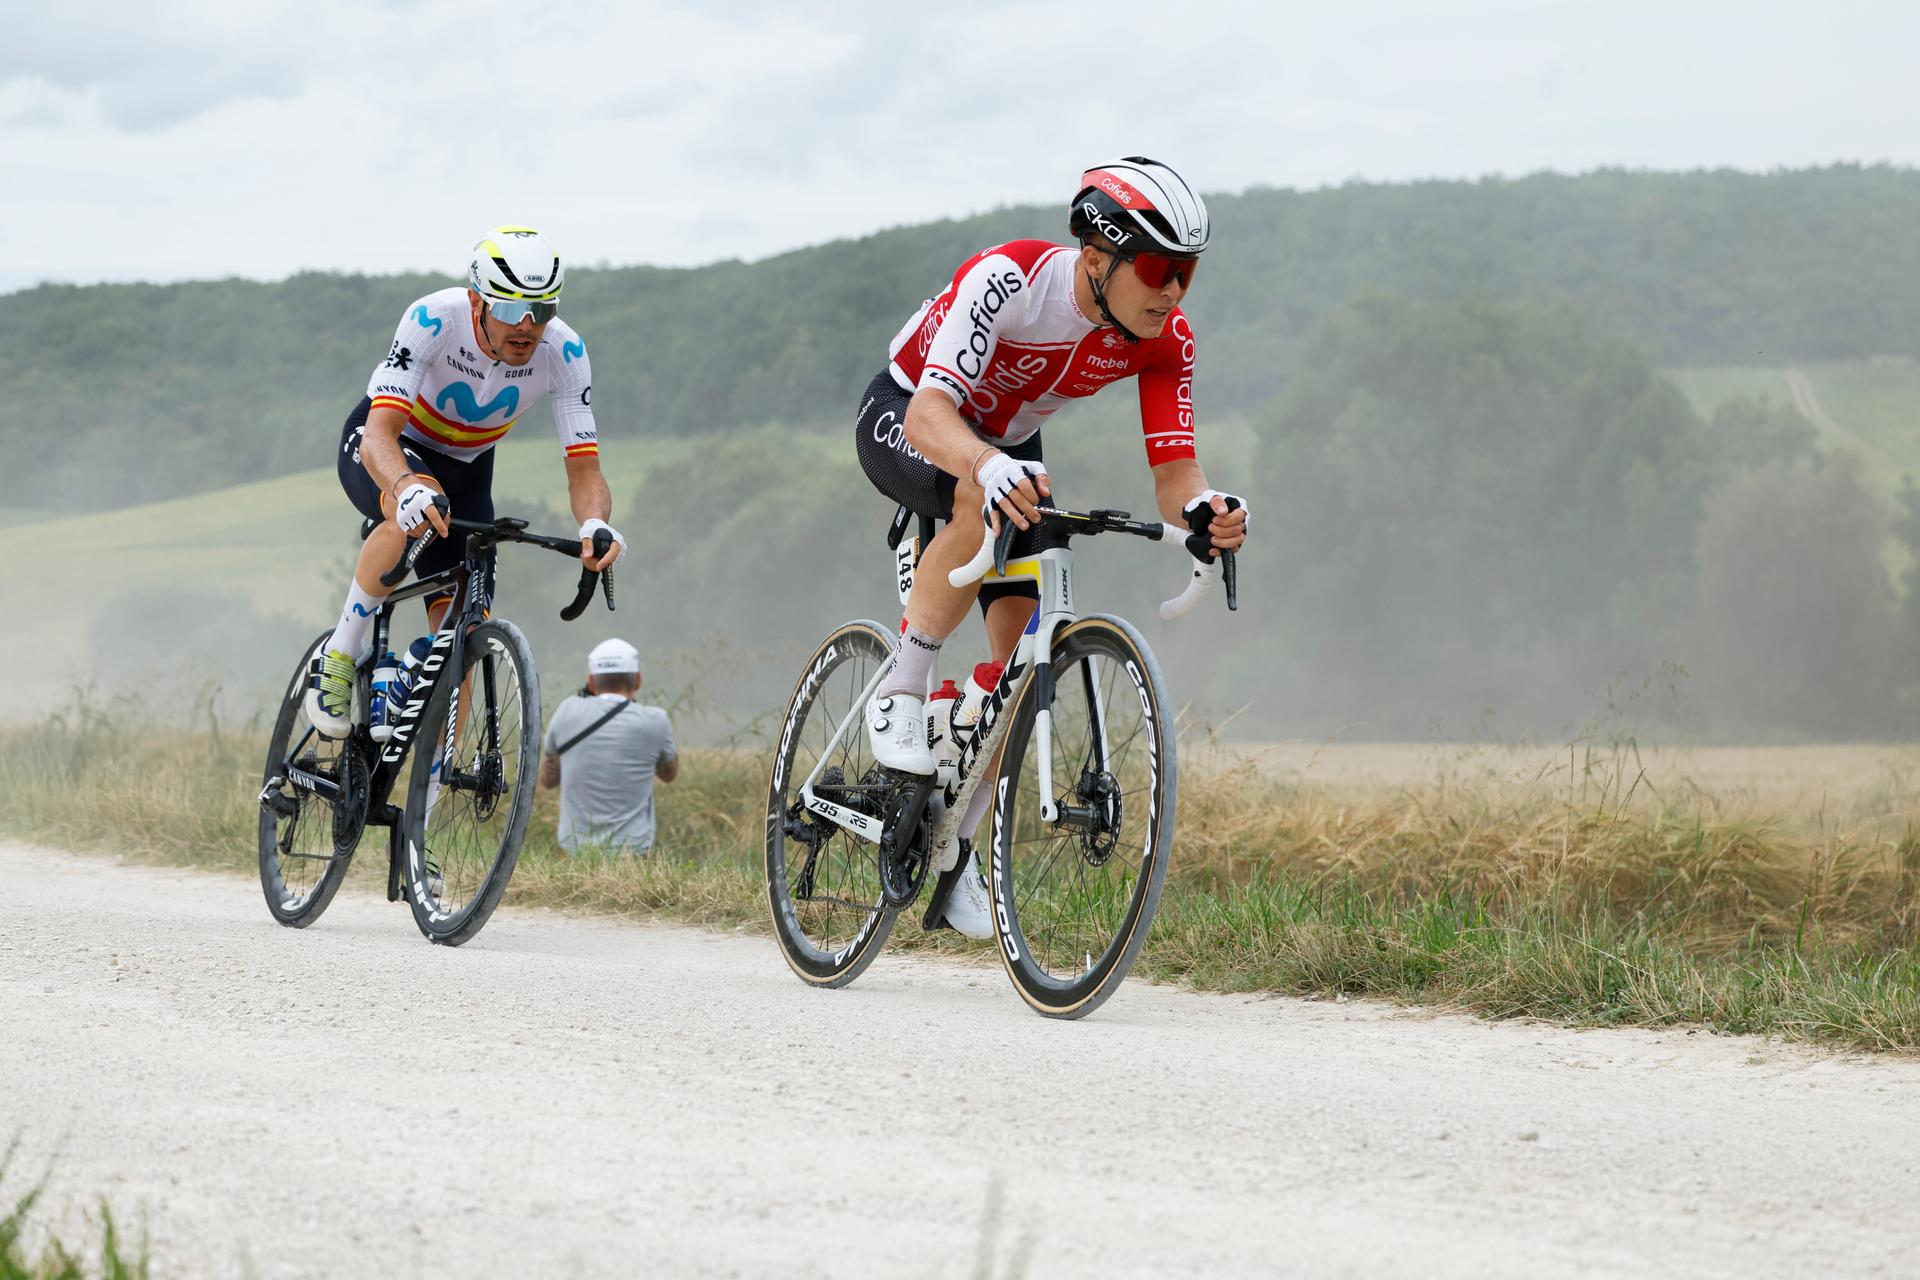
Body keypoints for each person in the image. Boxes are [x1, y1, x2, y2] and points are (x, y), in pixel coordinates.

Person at [853, 156, 1250, 938]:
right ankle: (902, 687)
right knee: (978, 492)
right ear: (1098, 259)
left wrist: (1207, 509)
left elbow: (1176, 471)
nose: (1172, 290)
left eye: (1188, 274)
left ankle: (957, 850)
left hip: (1010, 445)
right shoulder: (1009, 278)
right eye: (1159, 268)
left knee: (1021, 667)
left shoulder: (1165, 337)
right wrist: (985, 462)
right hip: (910, 413)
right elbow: (936, 413)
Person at [304, 226, 626, 736]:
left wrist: (593, 522)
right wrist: (406, 484)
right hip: (392, 444)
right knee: (409, 514)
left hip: (470, 468)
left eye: (541, 310)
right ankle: (341, 655)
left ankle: (422, 797)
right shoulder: (433, 319)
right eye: (511, 309)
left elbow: (585, 470)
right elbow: (378, 436)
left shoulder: (564, 354)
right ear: (477, 300)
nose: (526, 326)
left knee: (464, 640)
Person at [539, 638, 679, 854]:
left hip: (574, 852)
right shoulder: (655, 720)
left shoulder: (566, 710)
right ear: (638, 681)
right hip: (632, 853)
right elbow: (669, 774)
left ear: (592, 682)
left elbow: (548, 781)